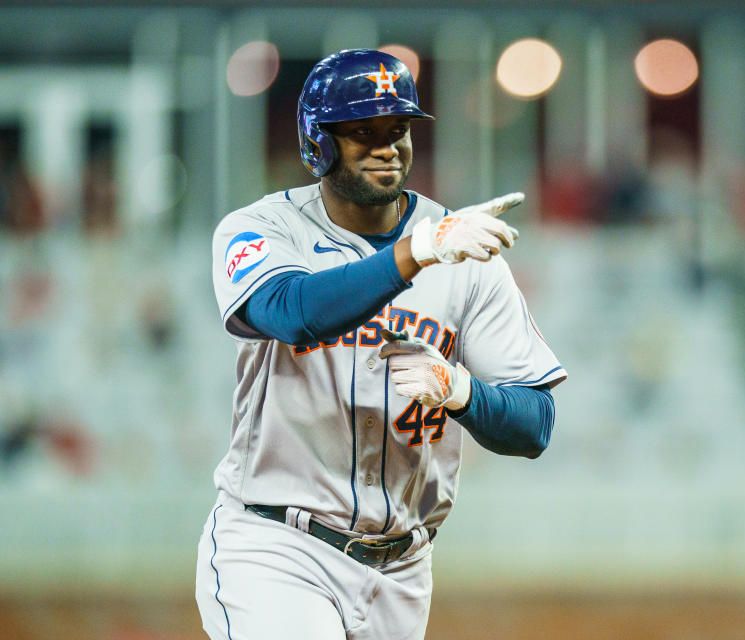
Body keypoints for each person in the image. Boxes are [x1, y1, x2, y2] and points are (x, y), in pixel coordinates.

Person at [195, 49, 566, 640]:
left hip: (402, 568)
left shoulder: (462, 252)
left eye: (397, 130)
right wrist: (415, 252)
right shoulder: (262, 229)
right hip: (277, 547)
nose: (387, 146)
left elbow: (535, 425)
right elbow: (292, 313)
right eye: (362, 132)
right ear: (319, 143)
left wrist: (463, 391)